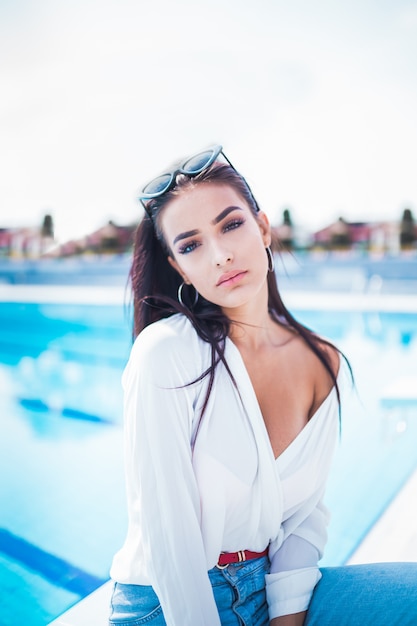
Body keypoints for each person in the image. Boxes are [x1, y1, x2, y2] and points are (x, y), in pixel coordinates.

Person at [109, 145, 417, 626]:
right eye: (191, 246)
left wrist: (286, 616)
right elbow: (170, 541)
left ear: (264, 228)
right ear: (178, 267)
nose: (221, 254)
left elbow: (305, 518)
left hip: (270, 585)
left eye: (231, 225)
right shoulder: (165, 355)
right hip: (167, 605)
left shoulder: (321, 361)